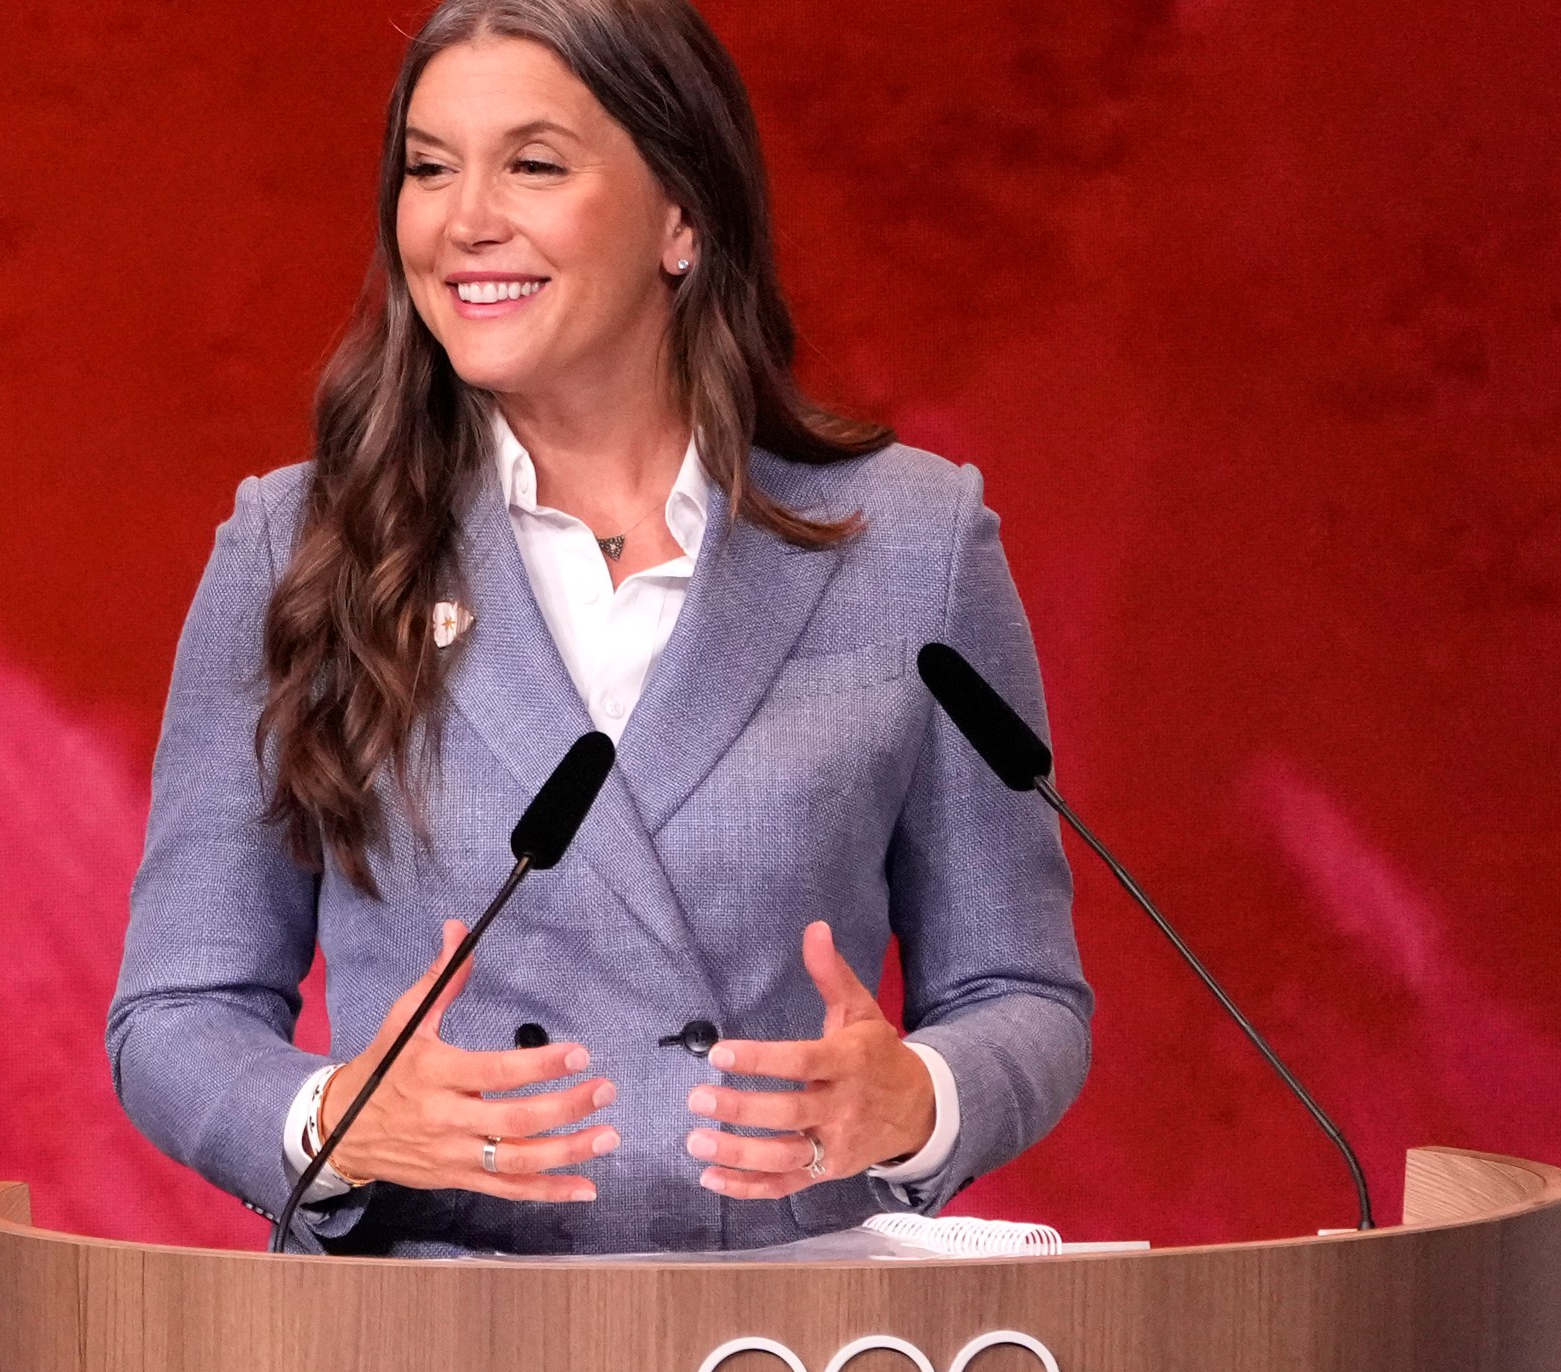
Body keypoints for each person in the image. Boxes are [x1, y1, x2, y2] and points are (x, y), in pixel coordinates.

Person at [107, 0, 1089, 1256]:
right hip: (423, 1350)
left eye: (532, 163)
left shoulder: (911, 544)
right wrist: (329, 1121)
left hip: (779, 1350)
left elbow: (1022, 995)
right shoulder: (299, 547)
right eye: (426, 167)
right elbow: (175, 1013)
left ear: (682, 216)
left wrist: (919, 1102)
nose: (462, 219)